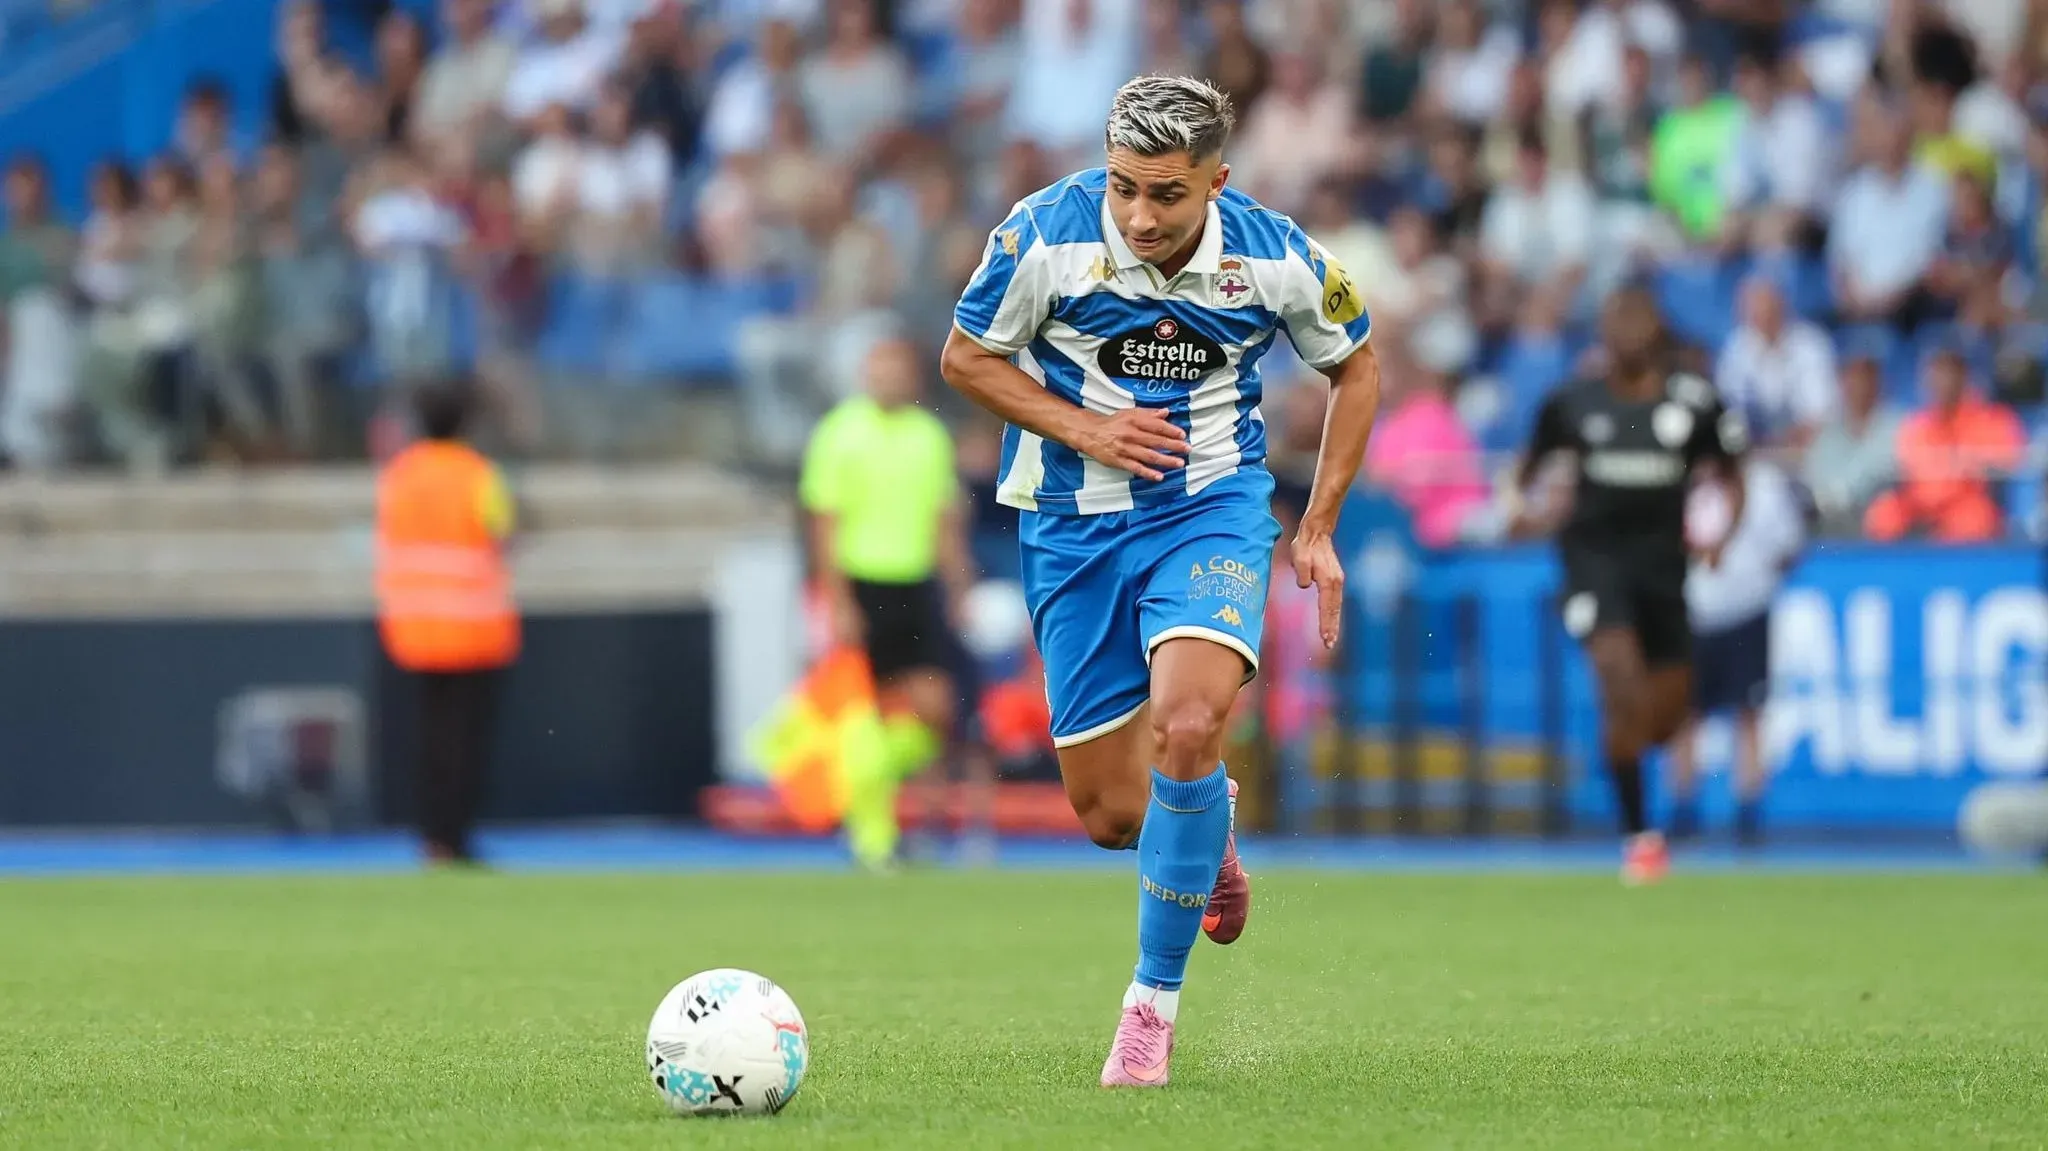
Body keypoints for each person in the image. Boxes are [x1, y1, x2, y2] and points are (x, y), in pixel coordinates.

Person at [938, 75, 1379, 1087]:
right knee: (1107, 816)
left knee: (1186, 721)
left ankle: (1148, 1009)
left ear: (1215, 181)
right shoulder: (1042, 234)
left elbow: (1355, 363)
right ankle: (1204, 818)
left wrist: (1314, 527)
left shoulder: (1270, 255)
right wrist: (1087, 427)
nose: (1140, 214)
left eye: (1167, 194)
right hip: (1069, 525)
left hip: (1208, 510)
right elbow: (965, 359)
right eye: (1125, 186)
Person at [1507, 286, 1745, 886]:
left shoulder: (1694, 402)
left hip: (1664, 569)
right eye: (1617, 323)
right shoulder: (1574, 401)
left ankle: (1629, 755)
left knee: (1664, 718)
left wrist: (1721, 535)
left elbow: (1734, 474)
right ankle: (1641, 836)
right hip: (1594, 561)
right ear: (1604, 334)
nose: (1628, 335)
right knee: (1617, 673)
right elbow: (1528, 469)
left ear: (1657, 333)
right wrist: (1526, 511)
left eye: (1639, 323)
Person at [800, 336, 976, 871]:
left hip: (915, 586)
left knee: (933, 710)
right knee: (863, 717)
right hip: (863, 585)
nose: (887, 379)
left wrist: (957, 588)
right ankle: (872, 837)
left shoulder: (928, 436)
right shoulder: (839, 433)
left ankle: (916, 823)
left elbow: (945, 521)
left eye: (896, 369)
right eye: (878, 369)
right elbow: (824, 524)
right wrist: (838, 600)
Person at [373, 383, 520, 864]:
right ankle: (455, 837)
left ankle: (432, 835)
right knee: (465, 739)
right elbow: (501, 532)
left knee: (429, 737)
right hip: (474, 626)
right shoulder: (478, 475)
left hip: (414, 625)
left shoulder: (400, 476)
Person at [1666, 456, 1807, 845]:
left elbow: (1789, 546)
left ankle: (1748, 809)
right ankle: (1683, 806)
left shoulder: (1763, 484)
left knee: (1749, 713)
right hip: (1692, 611)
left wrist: (1753, 578)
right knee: (1684, 714)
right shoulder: (1683, 478)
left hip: (1746, 609)